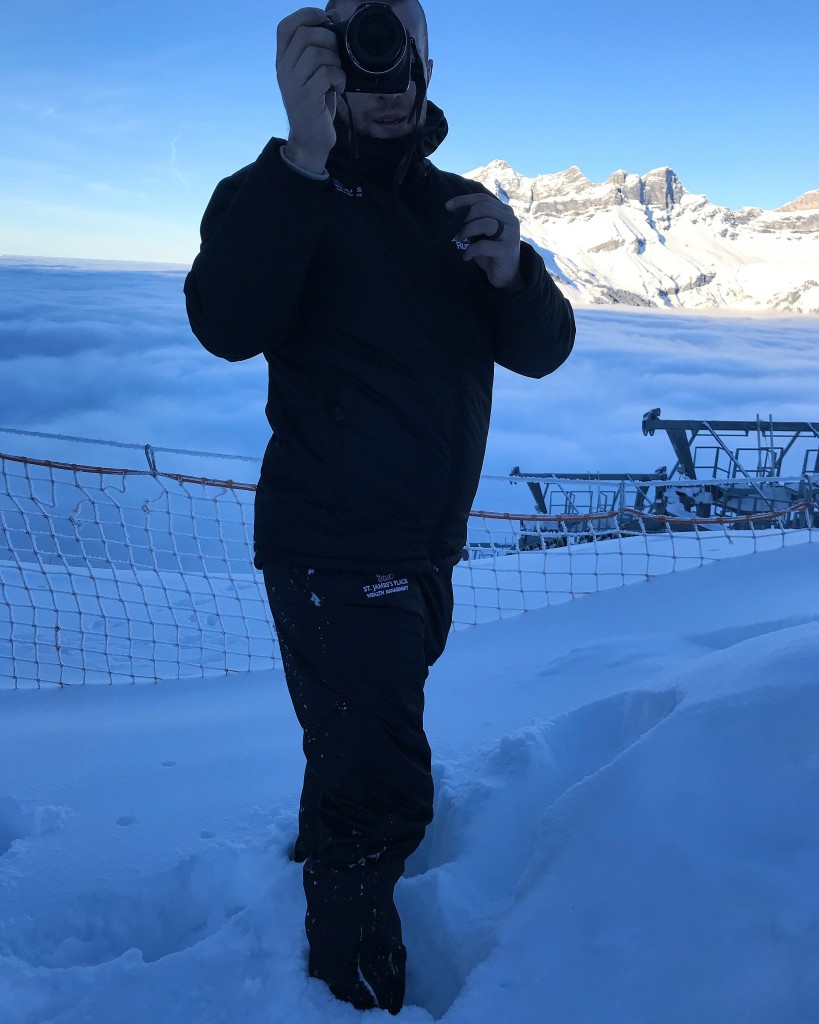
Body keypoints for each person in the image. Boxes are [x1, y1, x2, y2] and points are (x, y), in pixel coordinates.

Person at [184, 0, 575, 1013]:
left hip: (420, 556)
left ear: (429, 60)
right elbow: (226, 320)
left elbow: (544, 347)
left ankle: (303, 915)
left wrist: (514, 271)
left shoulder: (459, 208)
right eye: (361, 42)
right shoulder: (277, 192)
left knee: (352, 752)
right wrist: (303, 157)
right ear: (320, 58)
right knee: (382, 792)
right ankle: (355, 993)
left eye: (399, 41)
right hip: (336, 555)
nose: (384, 68)